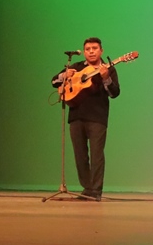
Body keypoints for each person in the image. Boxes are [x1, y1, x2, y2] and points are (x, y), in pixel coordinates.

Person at [51, 37, 121, 201]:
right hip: (76, 116)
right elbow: (54, 81)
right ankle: (87, 189)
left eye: (95, 48)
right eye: (88, 48)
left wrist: (105, 78)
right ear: (83, 52)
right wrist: (64, 75)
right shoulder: (76, 67)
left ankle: (96, 191)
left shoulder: (108, 69)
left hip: (97, 118)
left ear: (101, 51)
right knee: (80, 155)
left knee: (97, 155)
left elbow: (114, 93)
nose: (91, 51)